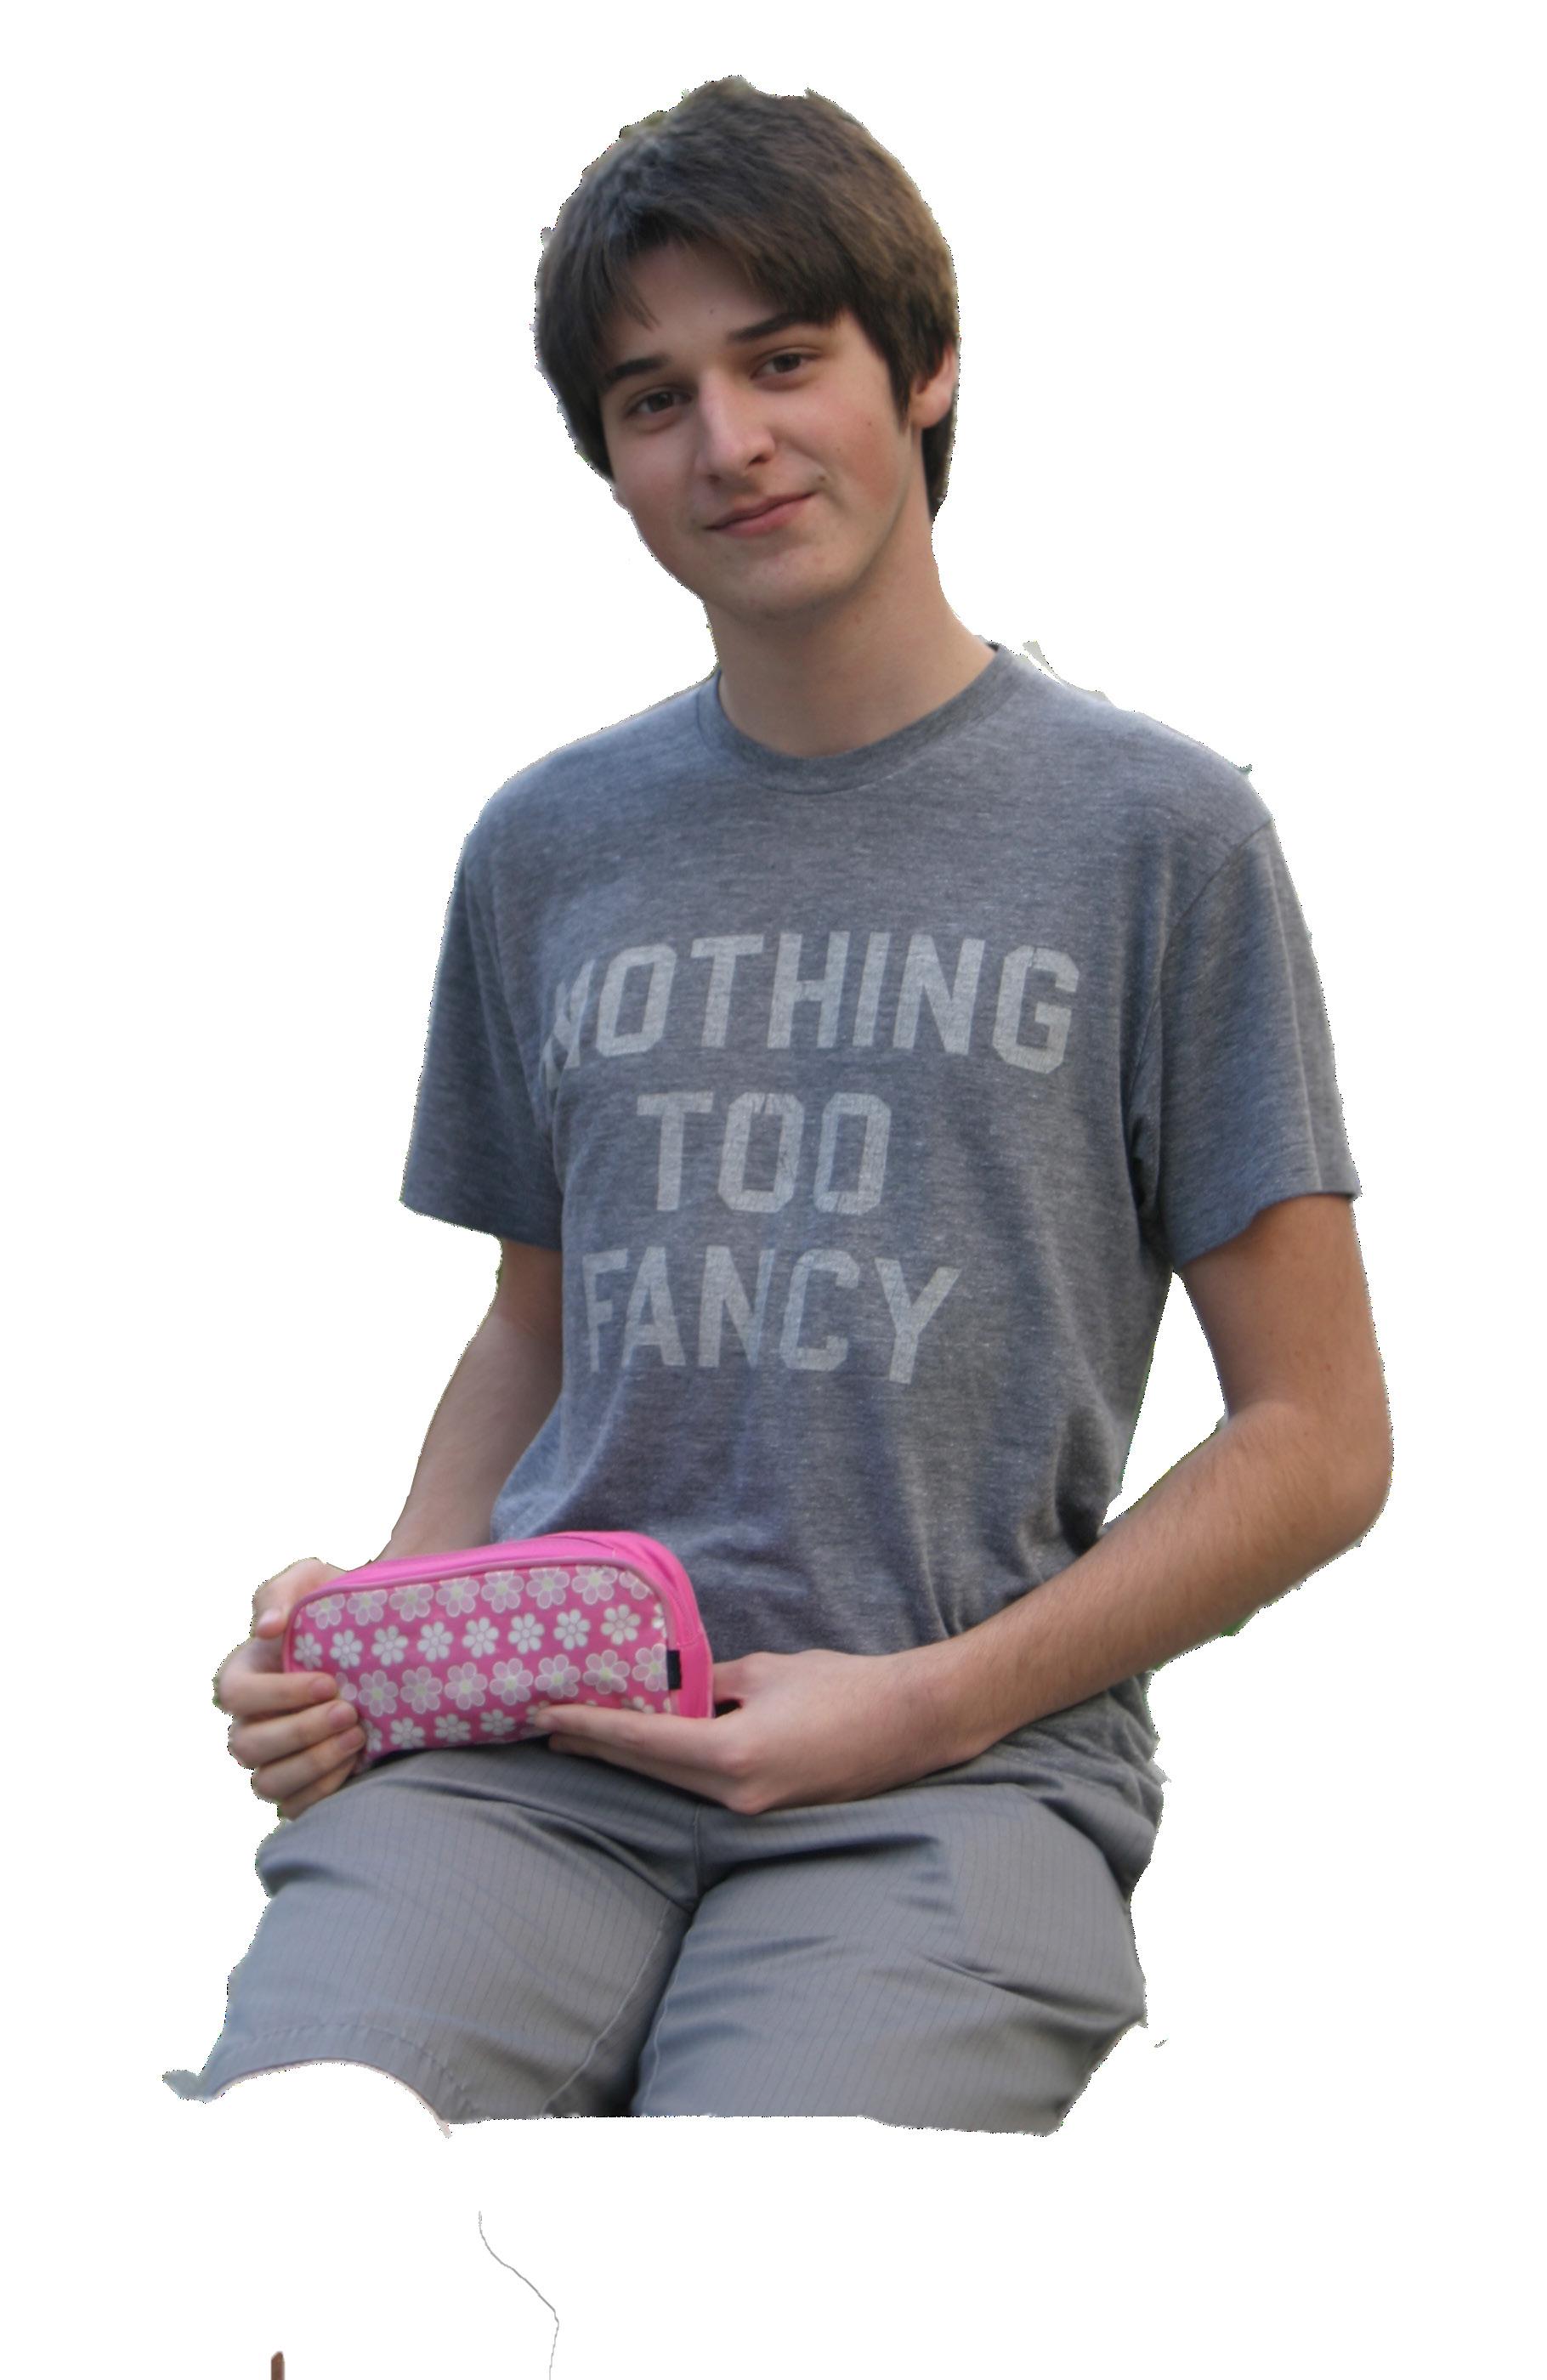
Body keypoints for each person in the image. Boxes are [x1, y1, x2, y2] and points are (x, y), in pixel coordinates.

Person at [165, 76, 1391, 2132]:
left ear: (924, 368)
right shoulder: (547, 842)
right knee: (286, 2203)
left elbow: (1321, 1435)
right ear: (608, 461)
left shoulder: (1159, 835)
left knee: (754, 2260)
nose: (725, 441)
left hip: (956, 1778)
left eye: (783, 359)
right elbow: (540, 1323)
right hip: (528, 1757)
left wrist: (925, 1701)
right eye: (652, 399)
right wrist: (382, 1627)